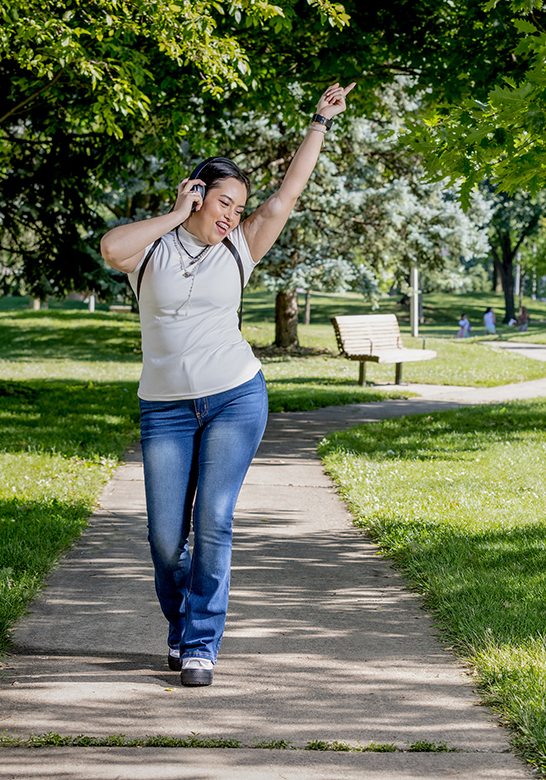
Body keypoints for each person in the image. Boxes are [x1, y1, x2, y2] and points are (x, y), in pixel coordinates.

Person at [99, 82, 356, 688]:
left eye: (238, 205)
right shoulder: (153, 250)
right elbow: (111, 249)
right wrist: (173, 214)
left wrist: (319, 121)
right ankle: (180, 625)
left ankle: (200, 645)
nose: (232, 214)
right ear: (196, 196)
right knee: (165, 539)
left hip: (236, 397)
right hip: (163, 409)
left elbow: (288, 193)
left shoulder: (240, 250)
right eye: (222, 202)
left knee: (213, 517)